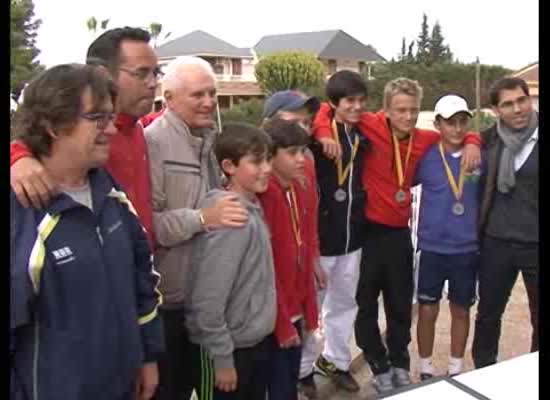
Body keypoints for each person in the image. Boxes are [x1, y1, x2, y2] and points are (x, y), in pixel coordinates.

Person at [312, 77, 482, 393]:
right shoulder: (370, 124)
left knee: (400, 303)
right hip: (368, 232)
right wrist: (322, 131)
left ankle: (400, 363)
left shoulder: (425, 140)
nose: (407, 117)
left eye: (413, 110)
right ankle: (377, 364)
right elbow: (328, 108)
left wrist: (472, 140)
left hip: (400, 234)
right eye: (400, 110)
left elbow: (460, 133)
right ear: (386, 110)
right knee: (364, 304)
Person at [10, 64, 163, 400]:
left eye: (110, 117)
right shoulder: (21, 213)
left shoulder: (112, 196)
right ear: (53, 125)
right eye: (98, 118)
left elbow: (143, 281)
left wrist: (147, 355)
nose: (110, 129)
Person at [144, 56, 248, 400]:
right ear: (169, 98)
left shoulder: (210, 142)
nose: (208, 102)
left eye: (212, 94)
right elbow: (149, 226)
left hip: (207, 303)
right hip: (171, 305)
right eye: (197, 95)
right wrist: (204, 218)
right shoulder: (152, 144)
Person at [10, 26, 160, 247]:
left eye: (156, 73)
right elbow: (36, 132)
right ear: (102, 73)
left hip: (137, 267)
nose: (152, 83)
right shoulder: (77, 133)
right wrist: (17, 156)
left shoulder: (139, 127)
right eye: (142, 73)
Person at [185, 122, 276, 400]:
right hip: (228, 353)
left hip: (253, 345)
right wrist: (222, 359)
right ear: (229, 166)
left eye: (269, 159)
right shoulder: (232, 221)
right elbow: (207, 300)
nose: (267, 168)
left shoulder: (252, 208)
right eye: (256, 161)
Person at [298, 71, 369, 397]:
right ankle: (302, 370)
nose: (356, 107)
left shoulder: (362, 137)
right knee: (312, 307)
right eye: (349, 101)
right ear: (333, 104)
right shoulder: (316, 138)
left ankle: (336, 362)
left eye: (360, 101)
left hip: (352, 237)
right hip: (321, 239)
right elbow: (315, 118)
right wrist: (324, 126)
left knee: (345, 304)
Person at [414, 95, 482, 380]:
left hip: (466, 249)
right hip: (431, 248)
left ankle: (455, 368)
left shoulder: (479, 157)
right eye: (450, 123)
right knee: (427, 311)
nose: (456, 128)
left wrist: (474, 142)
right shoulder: (425, 157)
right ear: (438, 124)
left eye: (462, 122)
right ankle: (426, 369)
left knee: (461, 311)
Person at [472, 77, 538, 368]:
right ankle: (484, 373)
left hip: (535, 244)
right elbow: (464, 140)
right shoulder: (488, 140)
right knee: (488, 315)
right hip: (496, 242)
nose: (518, 109)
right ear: (496, 110)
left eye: (521, 100)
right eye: (508, 104)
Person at [260, 118, 319, 400]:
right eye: (293, 153)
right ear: (271, 155)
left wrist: (311, 315)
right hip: (273, 318)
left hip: (294, 310)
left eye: (303, 152)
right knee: (279, 389)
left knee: (289, 386)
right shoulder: (265, 196)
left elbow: (304, 252)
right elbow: (265, 272)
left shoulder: (297, 188)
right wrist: (282, 324)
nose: (301, 159)